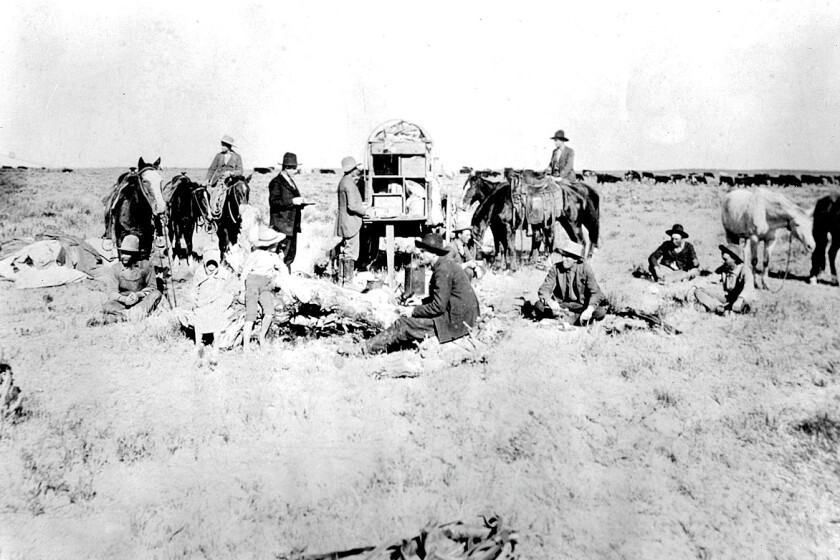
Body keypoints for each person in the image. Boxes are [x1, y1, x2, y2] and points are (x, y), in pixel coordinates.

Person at [363, 233, 479, 354]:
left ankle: (366, 349)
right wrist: (421, 302)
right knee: (412, 318)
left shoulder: (442, 270)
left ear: (433, 253)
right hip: (461, 315)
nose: (420, 254)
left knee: (403, 324)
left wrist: (413, 311)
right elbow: (443, 298)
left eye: (423, 251)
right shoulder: (444, 265)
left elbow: (438, 307)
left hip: (456, 322)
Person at [176, 248, 237, 355]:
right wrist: (195, 301)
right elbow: (194, 289)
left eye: (214, 264)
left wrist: (222, 303)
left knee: (216, 323)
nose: (211, 267)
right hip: (202, 304)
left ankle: (216, 348)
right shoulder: (200, 272)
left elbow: (228, 291)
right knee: (199, 321)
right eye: (209, 264)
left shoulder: (223, 274)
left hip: (216, 304)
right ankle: (198, 345)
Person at [534, 239, 607, 326]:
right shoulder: (556, 268)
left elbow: (596, 293)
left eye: (567, 256)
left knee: (600, 312)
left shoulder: (585, 269)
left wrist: (589, 309)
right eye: (563, 255)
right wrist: (550, 302)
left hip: (581, 305)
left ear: (575, 259)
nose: (564, 259)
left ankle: (563, 319)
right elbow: (544, 289)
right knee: (539, 306)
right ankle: (575, 320)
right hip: (561, 305)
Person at [240, 227, 289, 351]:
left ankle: (261, 337)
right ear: (269, 245)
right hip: (253, 283)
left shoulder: (274, 256)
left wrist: (283, 279)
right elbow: (245, 271)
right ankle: (246, 345)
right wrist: (242, 290)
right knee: (251, 314)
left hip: (266, 285)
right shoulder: (256, 254)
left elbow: (283, 268)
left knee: (269, 312)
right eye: (275, 244)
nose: (277, 246)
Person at [94, 234, 162, 324]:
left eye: (128, 253)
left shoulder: (146, 266)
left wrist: (138, 295)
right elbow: (112, 292)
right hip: (123, 304)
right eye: (122, 253)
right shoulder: (115, 268)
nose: (123, 256)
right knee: (107, 305)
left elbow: (152, 288)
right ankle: (132, 315)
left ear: (135, 254)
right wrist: (124, 299)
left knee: (157, 294)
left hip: (141, 302)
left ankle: (123, 316)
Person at [690, 244, 756, 315]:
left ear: (734, 258)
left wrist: (741, 299)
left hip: (741, 300)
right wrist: (694, 286)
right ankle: (719, 307)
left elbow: (749, 287)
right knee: (698, 291)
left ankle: (721, 309)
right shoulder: (724, 268)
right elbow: (708, 279)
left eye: (725, 260)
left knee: (747, 306)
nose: (724, 262)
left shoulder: (744, 269)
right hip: (728, 299)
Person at [334, 156, 371, 283]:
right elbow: (352, 206)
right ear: (352, 169)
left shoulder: (344, 181)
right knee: (351, 252)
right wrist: (366, 211)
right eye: (355, 167)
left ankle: (342, 278)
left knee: (346, 251)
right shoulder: (349, 184)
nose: (357, 169)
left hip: (346, 222)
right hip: (351, 223)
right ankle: (347, 280)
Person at [268, 152, 306, 271]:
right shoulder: (276, 183)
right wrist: (293, 201)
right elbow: (274, 203)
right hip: (282, 226)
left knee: (289, 256)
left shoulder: (290, 181)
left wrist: (300, 203)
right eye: (294, 168)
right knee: (281, 256)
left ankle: (286, 279)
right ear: (286, 168)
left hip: (291, 226)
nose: (296, 171)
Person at [447, 215, 481, 281]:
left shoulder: (464, 246)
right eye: (467, 235)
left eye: (470, 235)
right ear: (459, 235)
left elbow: (470, 258)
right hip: (451, 276)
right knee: (469, 272)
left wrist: (476, 267)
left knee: (480, 268)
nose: (470, 237)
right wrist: (466, 264)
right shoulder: (450, 247)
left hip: (459, 274)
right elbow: (449, 266)